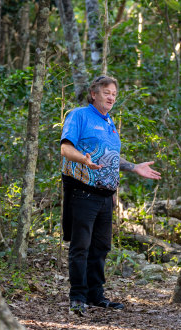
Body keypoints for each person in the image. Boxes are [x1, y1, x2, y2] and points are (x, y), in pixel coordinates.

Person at [61, 75, 161, 316]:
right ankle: (78, 296)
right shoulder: (79, 115)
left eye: (114, 94)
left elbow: (111, 157)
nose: (111, 97)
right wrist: (82, 158)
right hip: (82, 191)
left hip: (106, 196)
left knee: (101, 247)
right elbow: (65, 148)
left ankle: (96, 295)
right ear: (93, 93)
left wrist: (133, 167)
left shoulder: (109, 123)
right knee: (81, 247)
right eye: (106, 92)